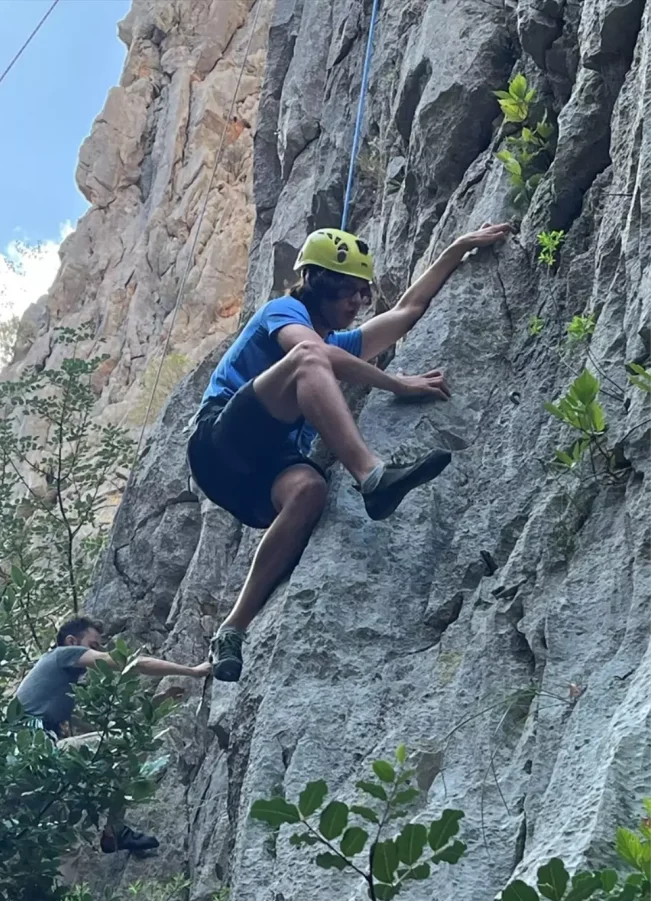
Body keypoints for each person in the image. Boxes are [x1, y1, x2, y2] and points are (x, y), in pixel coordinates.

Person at [188, 223, 511, 682]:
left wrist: (457, 249)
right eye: (346, 293)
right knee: (309, 359)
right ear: (317, 287)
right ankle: (373, 478)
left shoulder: (337, 346)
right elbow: (308, 352)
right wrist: (399, 383)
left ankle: (233, 628)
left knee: (309, 490)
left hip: (256, 476)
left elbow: (407, 310)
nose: (356, 304)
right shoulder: (283, 312)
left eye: (362, 293)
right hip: (220, 441)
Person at [16, 615, 210, 853]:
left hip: (28, 757)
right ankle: (115, 831)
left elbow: (108, 732)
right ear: (71, 641)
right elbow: (131, 663)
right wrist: (193, 671)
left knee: (61, 841)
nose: (98, 652)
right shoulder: (61, 655)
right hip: (36, 750)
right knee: (134, 742)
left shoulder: (61, 690)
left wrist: (154, 703)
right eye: (93, 646)